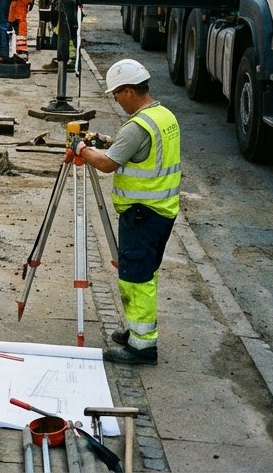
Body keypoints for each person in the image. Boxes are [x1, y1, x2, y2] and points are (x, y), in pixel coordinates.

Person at [76, 59, 181, 366]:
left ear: (128, 91)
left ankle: (142, 347)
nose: (116, 100)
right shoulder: (164, 116)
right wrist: (108, 142)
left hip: (142, 214)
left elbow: (108, 164)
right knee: (145, 272)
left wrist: (81, 149)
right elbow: (142, 153)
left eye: (116, 94)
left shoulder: (137, 126)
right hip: (163, 211)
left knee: (136, 278)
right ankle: (136, 330)